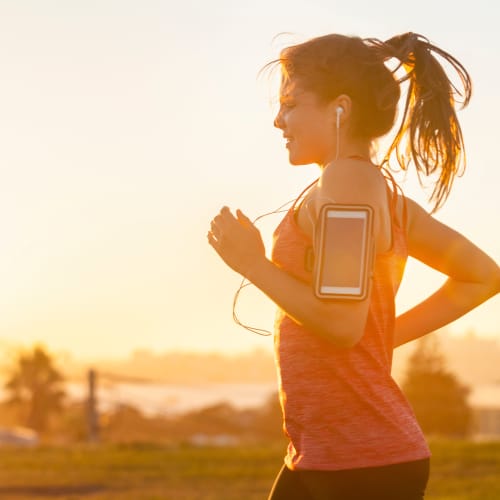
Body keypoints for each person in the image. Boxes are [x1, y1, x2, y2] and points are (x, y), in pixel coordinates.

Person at [207, 32, 500, 500]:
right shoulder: (385, 198)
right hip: (332, 455)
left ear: (340, 108)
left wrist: (252, 264)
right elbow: (481, 277)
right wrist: (383, 335)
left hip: (360, 464)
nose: (278, 120)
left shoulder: (344, 180)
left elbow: (341, 325)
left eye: (291, 103)